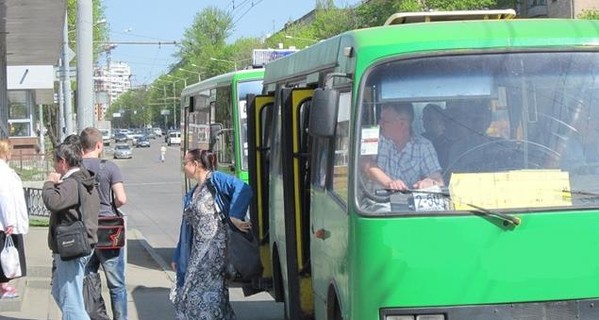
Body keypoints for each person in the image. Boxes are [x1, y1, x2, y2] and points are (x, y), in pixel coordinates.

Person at [171, 149, 252, 320]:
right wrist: (178, 256)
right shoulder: (193, 193)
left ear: (196, 164)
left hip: (216, 255)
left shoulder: (215, 180)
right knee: (189, 298)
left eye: (185, 163)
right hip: (198, 256)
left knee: (203, 300)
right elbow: (186, 229)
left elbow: (243, 188)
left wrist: (235, 215)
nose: (183, 167)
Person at [42, 142, 100, 319]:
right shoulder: (84, 178)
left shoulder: (71, 183)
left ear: (63, 162)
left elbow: (53, 202)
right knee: (60, 291)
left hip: (71, 248)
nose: (54, 165)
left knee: (71, 303)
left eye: (55, 161)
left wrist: (49, 183)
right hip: (80, 244)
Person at [80, 127, 128, 320]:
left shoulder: (76, 168)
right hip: (109, 230)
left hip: (84, 230)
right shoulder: (110, 167)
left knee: (87, 277)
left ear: (82, 147)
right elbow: (122, 198)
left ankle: (95, 316)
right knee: (117, 285)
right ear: (99, 145)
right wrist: (111, 205)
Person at [365, 102, 444, 191]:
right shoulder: (375, 138)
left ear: (402, 124)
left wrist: (429, 182)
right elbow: (365, 163)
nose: (380, 123)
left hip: (408, 203)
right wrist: (390, 183)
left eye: (385, 121)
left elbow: (438, 179)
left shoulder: (423, 146)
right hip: (374, 201)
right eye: (380, 119)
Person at [0, 139, 28, 298]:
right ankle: (3, 285)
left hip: (5, 220)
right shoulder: (2, 171)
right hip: (4, 222)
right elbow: (4, 196)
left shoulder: (4, 170)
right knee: (5, 253)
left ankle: (4, 284)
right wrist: (9, 221)